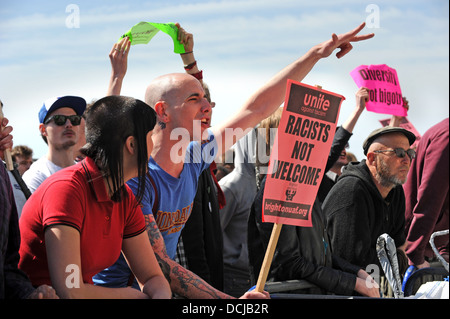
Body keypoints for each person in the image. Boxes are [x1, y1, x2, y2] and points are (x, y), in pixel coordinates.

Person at [95, 22, 374, 299]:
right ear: (163, 112)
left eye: (206, 99)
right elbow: (161, 267)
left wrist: (315, 54)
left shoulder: (195, 156)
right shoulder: (136, 179)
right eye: (195, 99)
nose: (208, 108)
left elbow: (256, 108)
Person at [18, 96, 171, 299]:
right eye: (151, 136)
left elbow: (152, 277)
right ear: (132, 144)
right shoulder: (67, 190)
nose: (154, 146)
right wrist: (134, 296)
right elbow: (69, 290)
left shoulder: (124, 197)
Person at [247, 108, 379, 297]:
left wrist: (356, 272)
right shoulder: (275, 190)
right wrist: (352, 284)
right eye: (308, 136)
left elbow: (319, 252)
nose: (317, 143)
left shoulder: (305, 186)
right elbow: (290, 263)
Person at [322, 126, 416, 295]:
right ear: (372, 159)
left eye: (410, 154)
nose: (407, 160)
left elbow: (400, 245)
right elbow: (353, 264)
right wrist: (392, 260)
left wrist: (393, 259)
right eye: (399, 152)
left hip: (373, 289)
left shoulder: (396, 190)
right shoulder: (351, 191)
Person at [0, 116, 58, 299]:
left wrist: (31, 294)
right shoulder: (36, 175)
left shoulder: (3, 174)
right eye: (59, 119)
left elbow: (8, 265)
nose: (5, 126)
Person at [403, 118, 449, 269]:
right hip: (419, 251)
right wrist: (415, 255)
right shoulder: (446, 136)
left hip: (434, 248)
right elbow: (430, 197)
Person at [22, 96, 86, 193]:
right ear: (43, 130)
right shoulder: (36, 177)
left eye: (74, 119)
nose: (69, 124)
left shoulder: (87, 173)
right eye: (59, 119)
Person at [316, 86, 368, 203]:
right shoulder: (317, 179)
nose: (343, 150)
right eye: (339, 145)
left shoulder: (351, 181)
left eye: (346, 146)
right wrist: (358, 109)